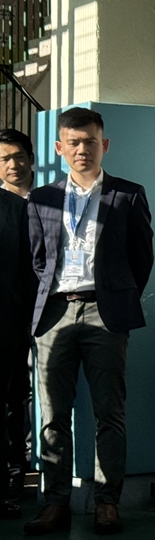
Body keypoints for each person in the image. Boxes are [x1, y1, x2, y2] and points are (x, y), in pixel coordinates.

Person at [24, 108, 154, 536]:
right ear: (60, 148)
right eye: (74, 143)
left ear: (105, 145)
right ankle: (55, 503)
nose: (82, 150)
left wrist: (116, 294)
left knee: (108, 413)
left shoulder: (128, 195)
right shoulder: (42, 198)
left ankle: (107, 503)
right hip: (55, 313)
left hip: (105, 311)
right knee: (52, 415)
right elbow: (38, 259)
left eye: (90, 142)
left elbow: (142, 257)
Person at [0, 128, 35, 511]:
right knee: (9, 399)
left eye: (18, 156)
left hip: (50, 314)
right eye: (4, 158)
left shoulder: (50, 201)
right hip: (6, 319)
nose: (12, 164)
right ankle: (11, 478)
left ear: (31, 157)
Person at [0, 128, 34, 198]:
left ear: (31, 159)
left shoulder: (54, 192)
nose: (13, 165)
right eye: (5, 159)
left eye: (19, 157)